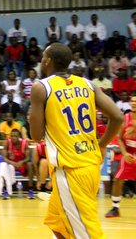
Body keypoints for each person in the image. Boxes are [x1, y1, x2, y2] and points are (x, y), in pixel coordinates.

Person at [29, 42, 124, 239]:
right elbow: (117, 117)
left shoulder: (41, 87)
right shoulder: (87, 84)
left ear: (48, 61)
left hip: (70, 170)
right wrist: (103, 144)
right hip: (90, 165)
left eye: (43, 57)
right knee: (58, 224)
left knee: (87, 234)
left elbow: (36, 135)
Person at [105, 95, 136, 218]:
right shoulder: (125, 118)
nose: (134, 103)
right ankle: (115, 208)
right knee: (118, 179)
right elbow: (120, 140)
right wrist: (124, 153)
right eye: (132, 101)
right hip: (128, 153)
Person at [0, 129, 34, 199]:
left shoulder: (24, 143)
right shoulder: (7, 143)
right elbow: (4, 158)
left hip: (21, 164)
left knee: (29, 164)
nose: (13, 138)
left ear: (19, 136)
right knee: (3, 165)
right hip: (11, 164)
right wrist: (12, 163)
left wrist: (22, 162)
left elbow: (28, 157)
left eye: (15, 136)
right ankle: (5, 191)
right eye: (12, 136)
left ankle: (30, 190)